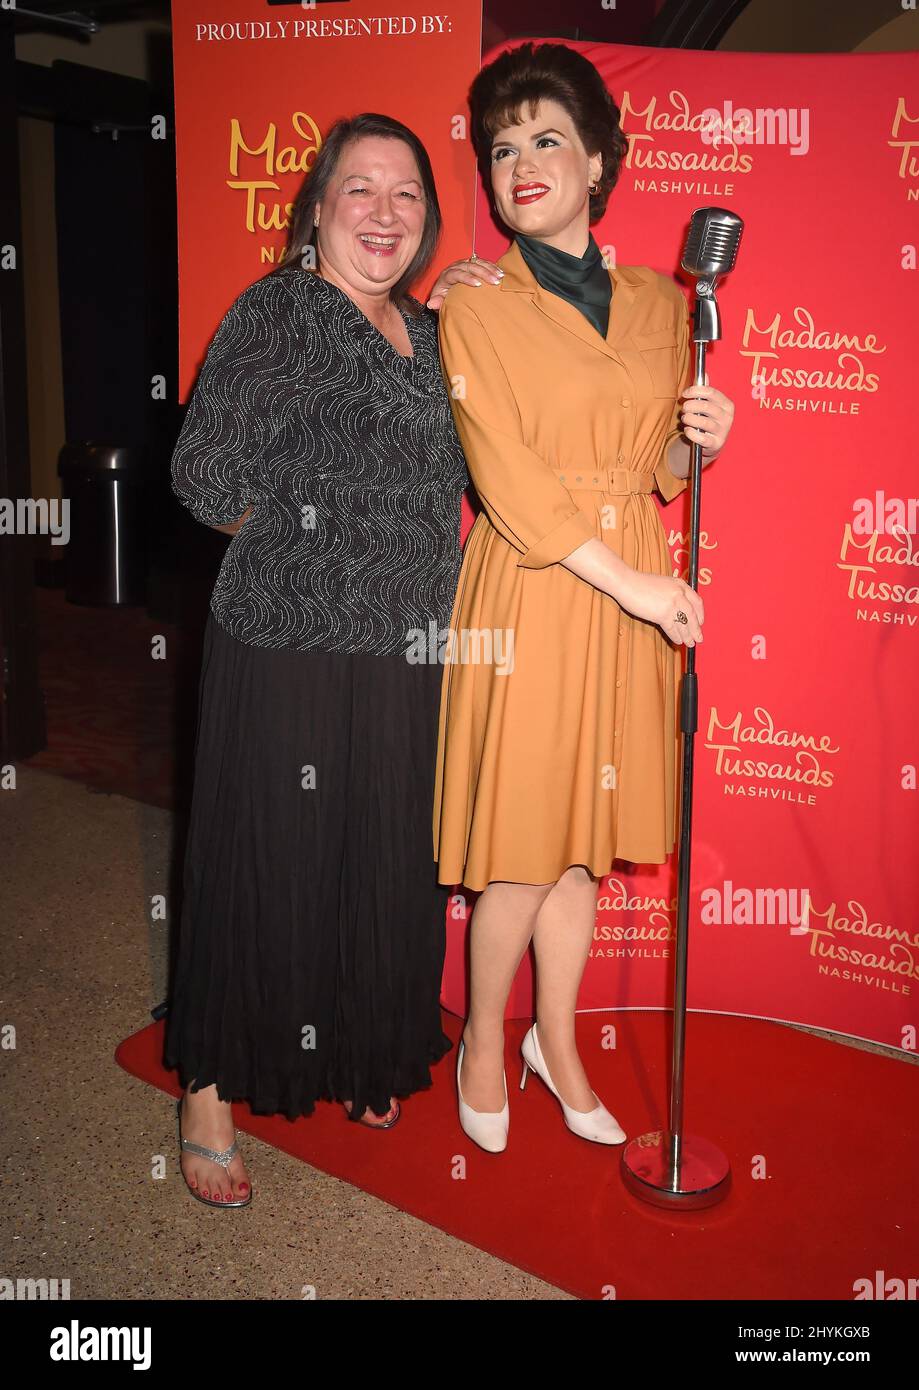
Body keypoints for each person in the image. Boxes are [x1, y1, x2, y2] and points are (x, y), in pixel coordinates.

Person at [164, 112, 502, 1207]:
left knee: (379, 858)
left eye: (405, 195)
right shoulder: (279, 311)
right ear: (316, 207)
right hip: (290, 646)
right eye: (360, 189)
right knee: (264, 861)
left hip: (409, 649)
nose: (385, 213)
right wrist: (315, 543)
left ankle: (360, 1049)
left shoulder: (429, 333)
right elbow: (205, 478)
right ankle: (207, 1093)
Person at [432, 43, 735, 1153]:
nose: (519, 162)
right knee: (519, 847)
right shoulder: (471, 304)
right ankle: (480, 1039)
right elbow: (505, 481)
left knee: (578, 848)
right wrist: (643, 592)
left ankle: (553, 1044)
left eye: (546, 138)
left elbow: (655, 463)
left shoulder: (665, 301)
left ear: (600, 158)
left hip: (630, 585)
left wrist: (704, 433)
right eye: (501, 146)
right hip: (533, 588)